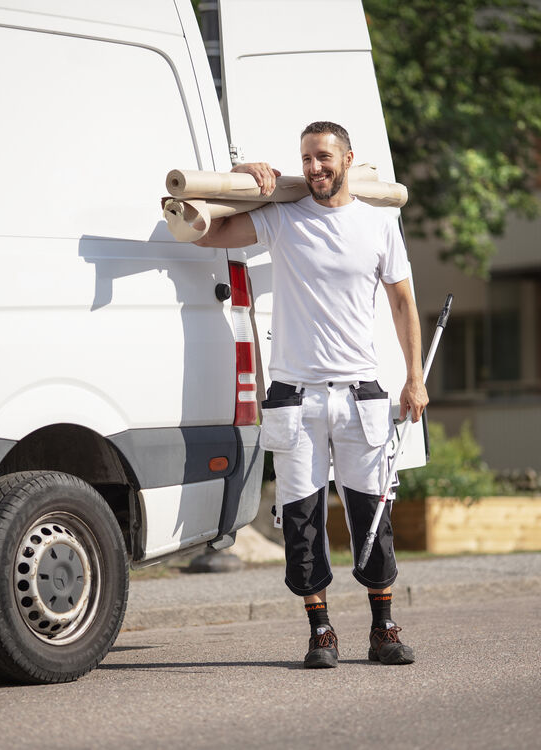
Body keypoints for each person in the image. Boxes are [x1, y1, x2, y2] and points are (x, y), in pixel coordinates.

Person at [194, 121, 428, 668]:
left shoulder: (379, 225)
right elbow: (203, 231)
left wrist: (414, 377)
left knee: (373, 514)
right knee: (301, 517)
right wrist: (237, 178)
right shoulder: (282, 218)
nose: (314, 168)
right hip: (294, 399)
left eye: (324, 157)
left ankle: (383, 627)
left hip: (360, 394)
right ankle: (320, 630)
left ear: (348, 158)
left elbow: (402, 304)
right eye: (306, 159)